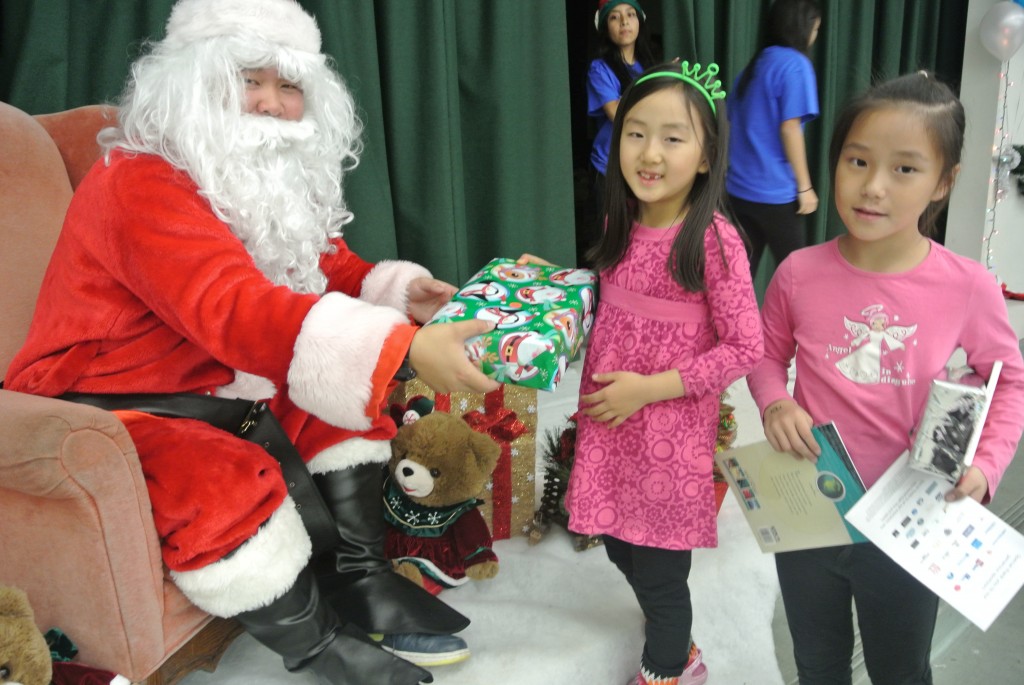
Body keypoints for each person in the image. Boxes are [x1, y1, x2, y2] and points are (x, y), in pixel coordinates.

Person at [3, 1, 502, 684]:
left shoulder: (263, 182)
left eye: (289, 85)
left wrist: (396, 293)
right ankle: (317, 643)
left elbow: (322, 265)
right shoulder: (140, 180)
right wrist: (407, 350)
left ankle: (356, 574)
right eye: (250, 79)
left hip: (214, 374)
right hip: (110, 394)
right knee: (216, 482)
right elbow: (233, 306)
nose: (271, 104)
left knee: (335, 408)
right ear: (195, 83)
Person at [747, 71, 1024, 684]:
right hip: (811, 506)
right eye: (857, 160)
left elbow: (1008, 381)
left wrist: (987, 465)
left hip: (909, 521)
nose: (872, 187)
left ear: (943, 182)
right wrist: (772, 403)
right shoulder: (797, 272)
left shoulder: (966, 286)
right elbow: (765, 357)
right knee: (816, 662)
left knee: (900, 669)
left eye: (904, 169)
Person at [567, 59, 764, 685]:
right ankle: (669, 629)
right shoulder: (619, 220)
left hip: (666, 435)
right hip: (610, 420)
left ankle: (670, 666)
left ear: (705, 157)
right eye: (636, 132)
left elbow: (745, 347)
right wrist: (547, 282)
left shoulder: (714, 239)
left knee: (658, 566)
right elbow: (613, 300)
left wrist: (651, 389)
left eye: (673, 138)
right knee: (620, 542)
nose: (650, 153)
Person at [726, 0, 821, 279]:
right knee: (795, 280)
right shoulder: (796, 65)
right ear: (802, 28)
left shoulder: (754, 66)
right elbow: (790, 128)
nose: (814, 37)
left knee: (739, 281)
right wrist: (804, 187)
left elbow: (731, 122)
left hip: (739, 192)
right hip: (776, 194)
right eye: (814, 29)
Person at [582, 0, 657, 264]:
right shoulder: (600, 68)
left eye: (630, 15)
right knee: (610, 241)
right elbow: (617, 113)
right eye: (614, 17)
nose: (624, 22)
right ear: (604, 27)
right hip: (609, 168)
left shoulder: (650, 66)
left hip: (644, 167)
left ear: (640, 20)